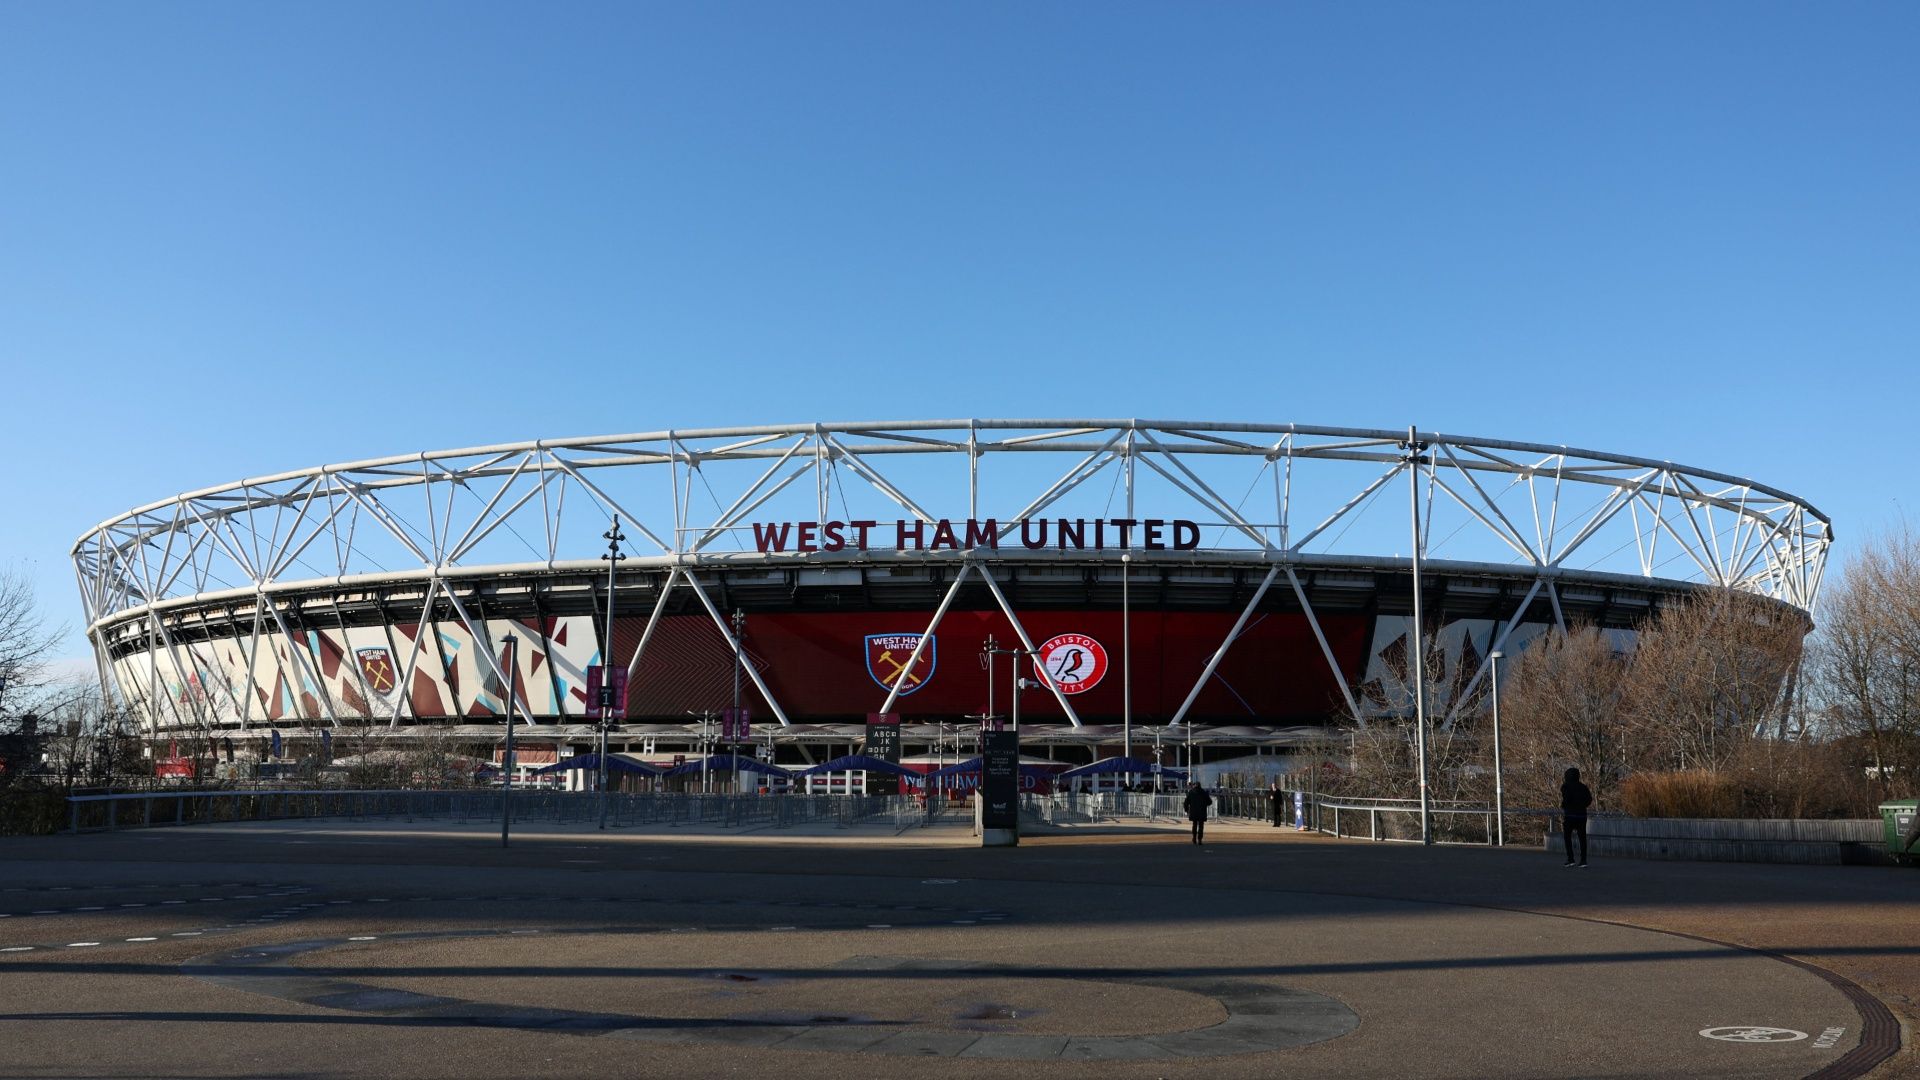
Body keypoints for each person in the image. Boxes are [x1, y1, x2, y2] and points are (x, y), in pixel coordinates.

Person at [1560, 767, 1593, 867]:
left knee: (1567, 837)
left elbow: (1566, 799)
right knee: (1582, 838)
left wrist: (1565, 805)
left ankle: (1571, 859)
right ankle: (1583, 860)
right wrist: (1582, 805)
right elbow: (1589, 799)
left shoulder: (1565, 786)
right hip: (1582, 815)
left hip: (1570, 815)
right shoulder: (1583, 787)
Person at [1183, 781, 1213, 845]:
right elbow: (1210, 802)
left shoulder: (1191, 792)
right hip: (1202, 811)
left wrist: (1186, 810)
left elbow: (1186, 802)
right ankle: (1199, 839)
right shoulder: (1204, 792)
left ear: (1194, 785)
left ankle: (1194, 837)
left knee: (1194, 825)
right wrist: (1205, 804)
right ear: (1200, 785)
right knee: (1201, 826)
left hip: (1193, 811)